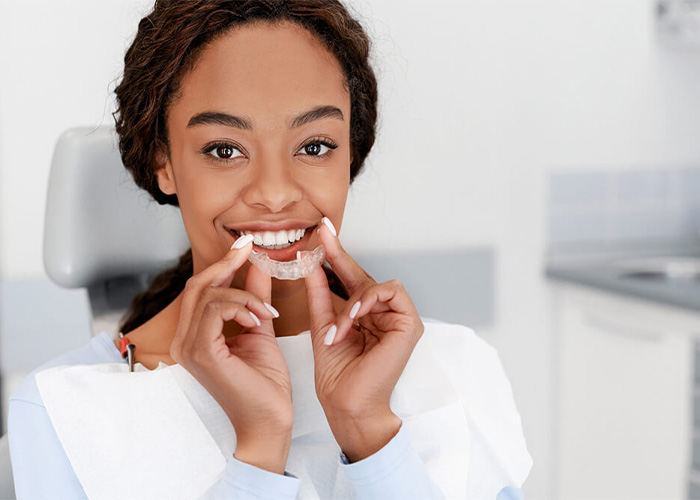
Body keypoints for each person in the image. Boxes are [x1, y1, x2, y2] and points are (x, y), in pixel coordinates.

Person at [8, 0, 533, 498]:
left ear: (350, 153)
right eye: (224, 149)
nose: (276, 193)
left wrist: (369, 430)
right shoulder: (65, 411)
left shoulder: (456, 369)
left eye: (314, 146)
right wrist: (259, 447)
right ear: (163, 162)